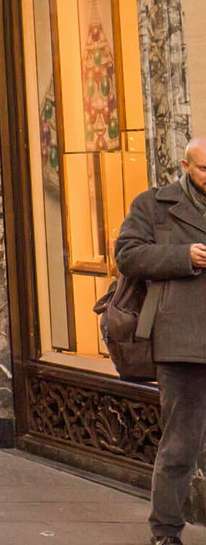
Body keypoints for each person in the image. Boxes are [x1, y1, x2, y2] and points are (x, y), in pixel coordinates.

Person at [116, 135, 206, 544]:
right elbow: (128, 255)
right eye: (204, 168)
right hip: (183, 341)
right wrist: (183, 257)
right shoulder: (154, 205)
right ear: (185, 166)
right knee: (179, 446)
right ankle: (165, 531)